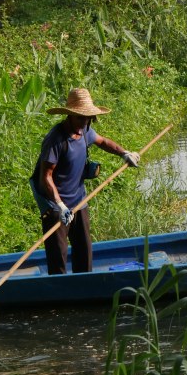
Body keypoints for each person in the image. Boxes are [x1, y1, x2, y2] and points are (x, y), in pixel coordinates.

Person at [30, 88, 141, 275]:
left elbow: (103, 141)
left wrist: (124, 153)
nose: (84, 122)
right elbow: (45, 176)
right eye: (81, 118)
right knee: (58, 254)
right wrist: (60, 205)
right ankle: (61, 292)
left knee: (84, 249)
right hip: (56, 206)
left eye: (88, 118)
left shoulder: (85, 130)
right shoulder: (56, 140)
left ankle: (84, 284)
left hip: (79, 201)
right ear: (70, 116)